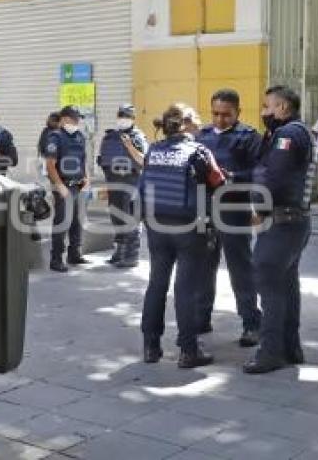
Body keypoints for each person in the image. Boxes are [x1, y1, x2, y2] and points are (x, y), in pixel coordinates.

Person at [139, 103, 225, 369]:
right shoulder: (198, 151)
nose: (200, 123)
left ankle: (151, 347)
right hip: (189, 228)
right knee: (186, 288)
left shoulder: (153, 151)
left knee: (157, 284)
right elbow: (218, 181)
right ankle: (189, 350)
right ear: (186, 124)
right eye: (197, 119)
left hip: (157, 226)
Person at [244, 85, 316, 374]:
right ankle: (290, 347)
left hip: (282, 221)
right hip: (295, 221)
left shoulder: (287, 135)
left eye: (267, 106)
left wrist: (258, 208)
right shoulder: (299, 132)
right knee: (287, 284)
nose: (263, 112)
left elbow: (275, 176)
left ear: (282, 108)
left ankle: (270, 352)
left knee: (270, 285)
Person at [195, 89, 263, 347]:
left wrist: (233, 177)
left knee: (241, 268)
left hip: (234, 210)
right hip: (204, 209)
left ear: (238, 112)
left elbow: (260, 173)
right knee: (203, 266)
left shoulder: (249, 137)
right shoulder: (201, 136)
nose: (220, 119)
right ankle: (201, 318)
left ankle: (251, 323)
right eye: (215, 114)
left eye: (226, 115)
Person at [97, 104, 148, 268]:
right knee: (117, 218)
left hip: (131, 182)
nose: (122, 119)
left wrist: (130, 146)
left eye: (126, 116)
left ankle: (131, 255)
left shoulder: (138, 137)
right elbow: (104, 160)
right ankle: (119, 252)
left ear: (133, 119)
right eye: (120, 115)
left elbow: (143, 160)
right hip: (113, 182)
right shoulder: (110, 136)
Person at [44, 105, 89, 272]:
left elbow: (82, 159)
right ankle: (56, 259)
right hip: (63, 186)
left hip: (78, 185)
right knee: (62, 223)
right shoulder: (55, 137)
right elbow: (50, 165)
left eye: (77, 119)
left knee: (77, 222)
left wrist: (86, 178)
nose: (76, 122)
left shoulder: (79, 136)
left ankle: (74, 254)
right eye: (73, 119)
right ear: (64, 119)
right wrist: (59, 186)